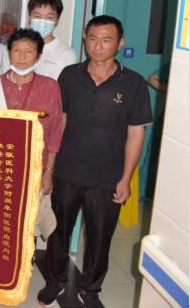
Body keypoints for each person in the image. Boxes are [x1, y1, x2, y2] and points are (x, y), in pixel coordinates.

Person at [38, 16, 152, 308]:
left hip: (107, 176)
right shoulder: (69, 75)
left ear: (120, 43)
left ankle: (90, 288)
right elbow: (60, 122)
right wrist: (49, 168)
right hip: (67, 171)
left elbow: (136, 134)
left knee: (100, 236)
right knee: (58, 231)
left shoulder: (134, 83)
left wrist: (126, 178)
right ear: (85, 39)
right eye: (92, 39)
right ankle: (55, 280)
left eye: (106, 40)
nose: (98, 46)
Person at [0, 29, 62, 194]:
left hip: (36, 169)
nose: (22, 57)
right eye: (16, 50)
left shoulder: (50, 87)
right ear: (9, 53)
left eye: (28, 51)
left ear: (38, 56)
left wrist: (48, 172)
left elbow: (55, 133)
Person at [28, 0, 76, 80]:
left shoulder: (66, 55)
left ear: (57, 21)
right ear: (29, 16)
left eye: (49, 17)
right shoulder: (13, 47)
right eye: (37, 16)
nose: (42, 22)